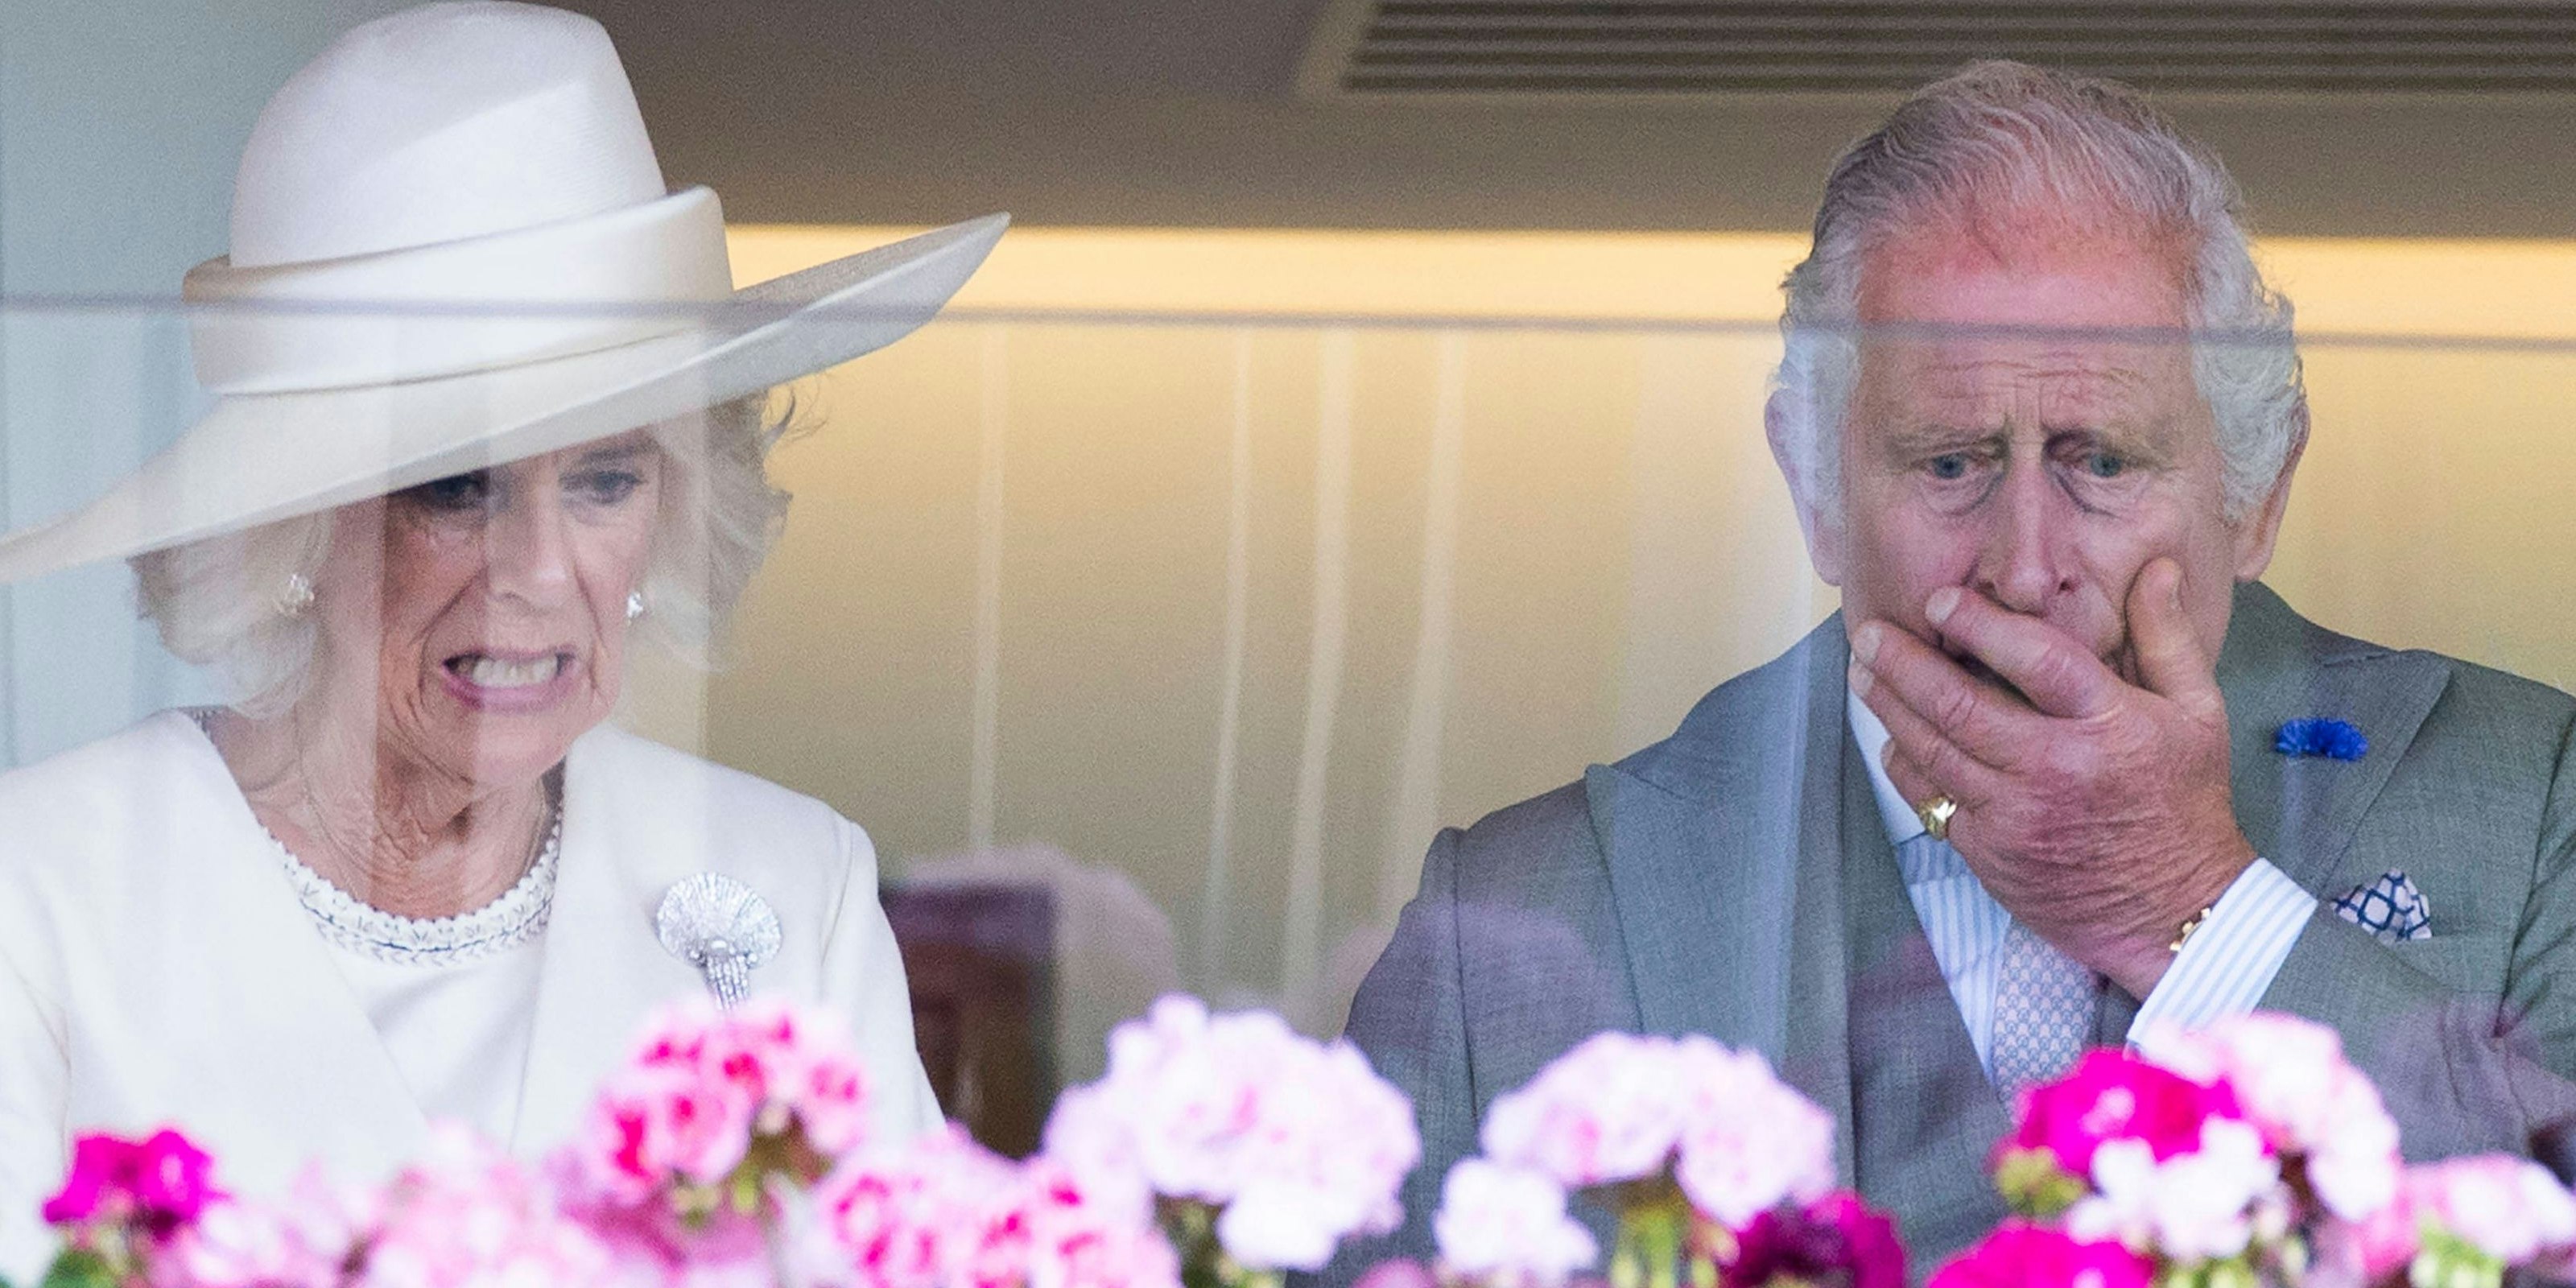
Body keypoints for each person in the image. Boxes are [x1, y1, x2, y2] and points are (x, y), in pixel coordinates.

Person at [1339, 60, 2576, 1271]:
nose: (2025, 567)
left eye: (2101, 461)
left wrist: (2186, 906)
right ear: (1815, 489)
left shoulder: (2534, 800)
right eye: (1948, 463)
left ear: (2255, 495)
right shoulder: (1506, 921)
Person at [0, 1, 1006, 1269]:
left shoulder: (791, 881)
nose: (535, 572)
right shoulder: (35, 885)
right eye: (454, 485)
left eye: (604, 480)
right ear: (294, 531)